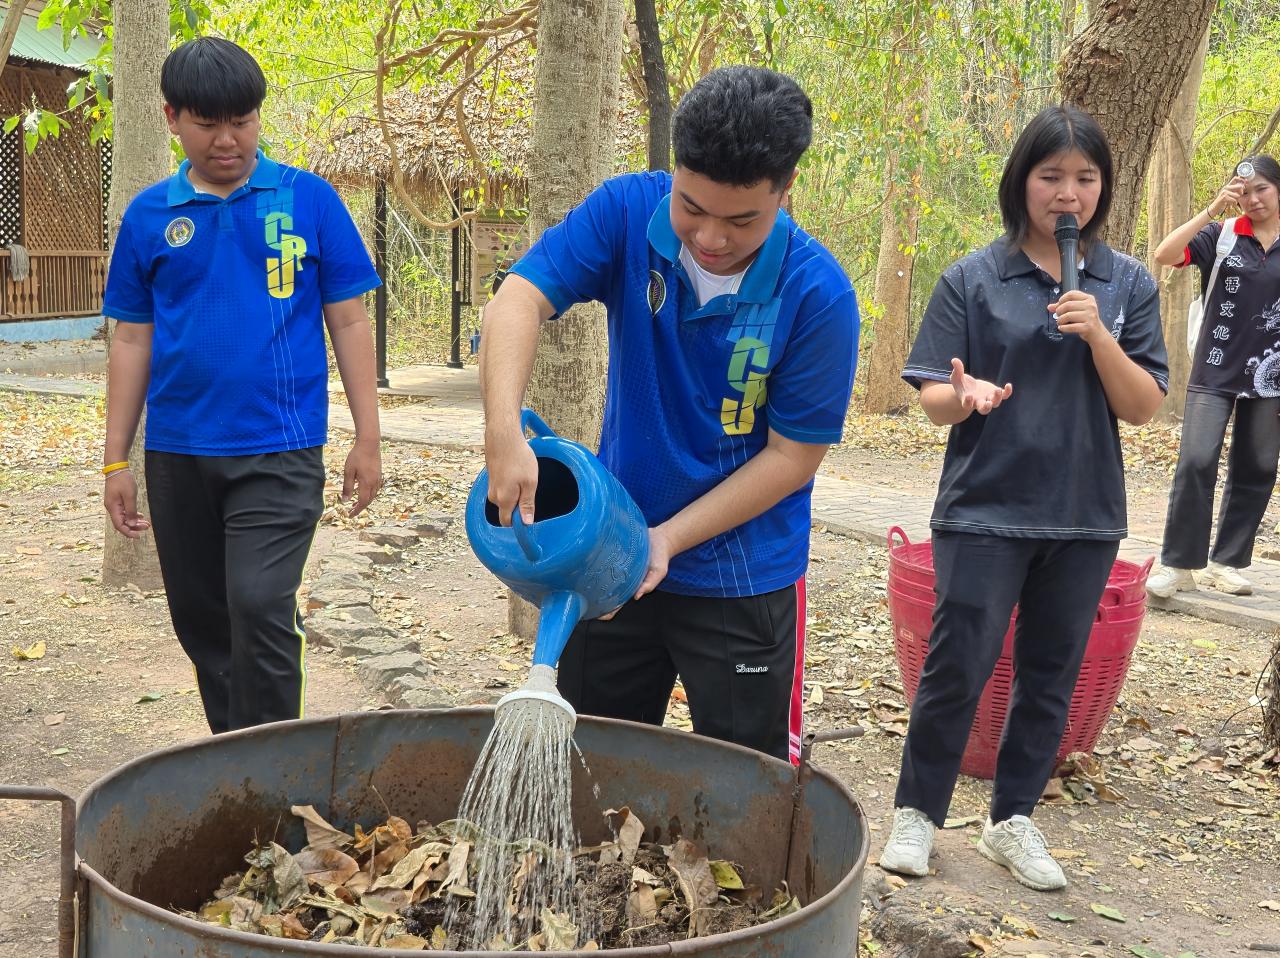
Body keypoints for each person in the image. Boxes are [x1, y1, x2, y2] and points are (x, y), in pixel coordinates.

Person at [479, 66, 859, 764]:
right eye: (692, 206)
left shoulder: (818, 295)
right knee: (594, 763)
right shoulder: (628, 212)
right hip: (609, 551)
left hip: (742, 573)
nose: (710, 237)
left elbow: (792, 457)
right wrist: (502, 433)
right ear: (674, 172)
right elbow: (518, 299)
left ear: (784, 190)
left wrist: (670, 540)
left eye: (741, 218)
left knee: (742, 781)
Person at [879, 105, 1168, 891]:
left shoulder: (1128, 283)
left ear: (1103, 188)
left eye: (1084, 178)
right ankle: (918, 816)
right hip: (985, 508)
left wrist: (1099, 334)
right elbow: (931, 395)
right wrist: (961, 396)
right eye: (1051, 177)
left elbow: (1143, 407)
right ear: (1022, 182)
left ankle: (1012, 820)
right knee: (958, 666)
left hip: (1085, 514)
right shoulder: (973, 278)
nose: (1067, 194)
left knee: (1050, 674)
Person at [101, 37, 383, 734]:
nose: (228, 140)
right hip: (178, 453)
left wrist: (367, 437)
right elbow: (132, 339)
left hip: (279, 450)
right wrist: (115, 459)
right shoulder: (148, 218)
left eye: (243, 121)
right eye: (207, 123)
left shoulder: (309, 201)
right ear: (171, 117)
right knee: (202, 623)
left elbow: (348, 321)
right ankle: (236, 773)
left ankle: (278, 775)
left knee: (258, 604)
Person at [1146, 157, 1280, 599]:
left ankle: (1226, 563)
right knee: (1196, 461)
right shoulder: (1220, 237)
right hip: (1215, 367)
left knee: (1257, 466)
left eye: (1262, 189)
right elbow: (1165, 254)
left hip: (1271, 375)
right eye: (1244, 191)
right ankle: (1179, 564)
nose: (1253, 199)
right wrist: (1211, 210)